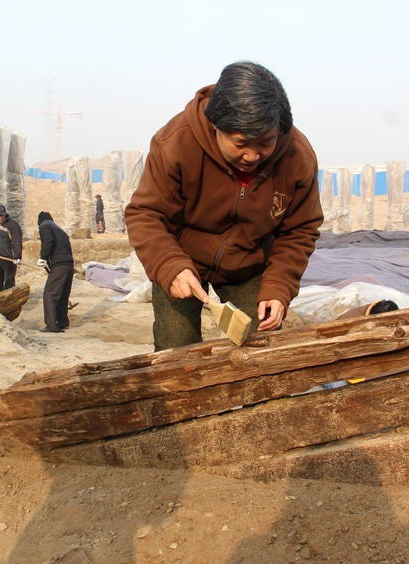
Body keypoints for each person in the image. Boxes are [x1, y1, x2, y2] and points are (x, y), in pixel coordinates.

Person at [124, 61, 323, 351]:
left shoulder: (297, 156)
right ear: (216, 125)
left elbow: (300, 230)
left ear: (279, 130)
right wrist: (168, 265)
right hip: (182, 258)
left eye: (265, 143)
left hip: (249, 264)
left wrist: (279, 287)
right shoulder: (176, 142)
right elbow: (146, 214)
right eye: (241, 143)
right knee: (177, 348)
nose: (253, 156)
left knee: (261, 346)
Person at [37, 211, 74, 333]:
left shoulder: (44, 226)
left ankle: (52, 325)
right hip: (68, 264)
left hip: (59, 265)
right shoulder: (59, 229)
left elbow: (48, 241)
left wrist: (43, 257)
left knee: (50, 294)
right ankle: (63, 322)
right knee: (63, 294)